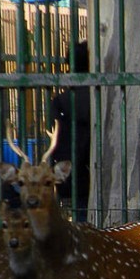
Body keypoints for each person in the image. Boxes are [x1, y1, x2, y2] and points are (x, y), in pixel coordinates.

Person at [49, 40, 91, 221]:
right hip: (99, 171)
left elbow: (54, 141)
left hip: (71, 174)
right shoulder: (100, 96)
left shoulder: (60, 101)